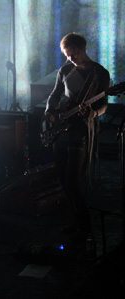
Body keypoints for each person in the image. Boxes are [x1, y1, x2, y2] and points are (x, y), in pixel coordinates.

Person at [44, 33, 110, 243]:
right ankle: (76, 222)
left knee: (73, 181)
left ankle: (86, 228)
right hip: (63, 128)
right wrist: (49, 111)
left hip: (82, 131)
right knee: (63, 179)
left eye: (73, 54)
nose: (70, 58)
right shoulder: (64, 70)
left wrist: (90, 113)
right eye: (67, 55)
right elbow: (55, 95)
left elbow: (103, 105)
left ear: (82, 48)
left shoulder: (100, 73)